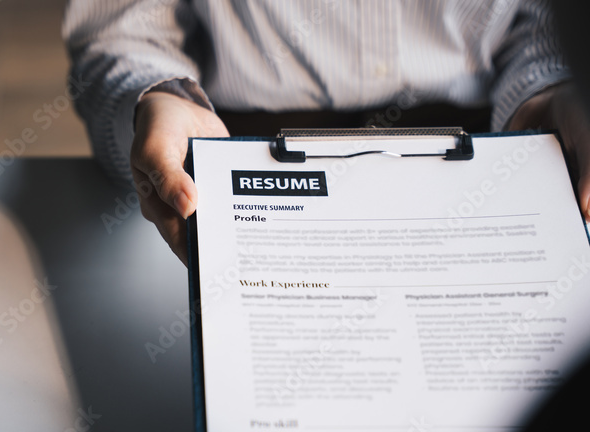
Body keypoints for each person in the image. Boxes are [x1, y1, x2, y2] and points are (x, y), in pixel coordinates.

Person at [63, 0, 590, 265]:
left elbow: (542, 19)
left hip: (496, 159)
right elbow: (126, 24)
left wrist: (550, 92)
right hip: (231, 165)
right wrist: (162, 96)